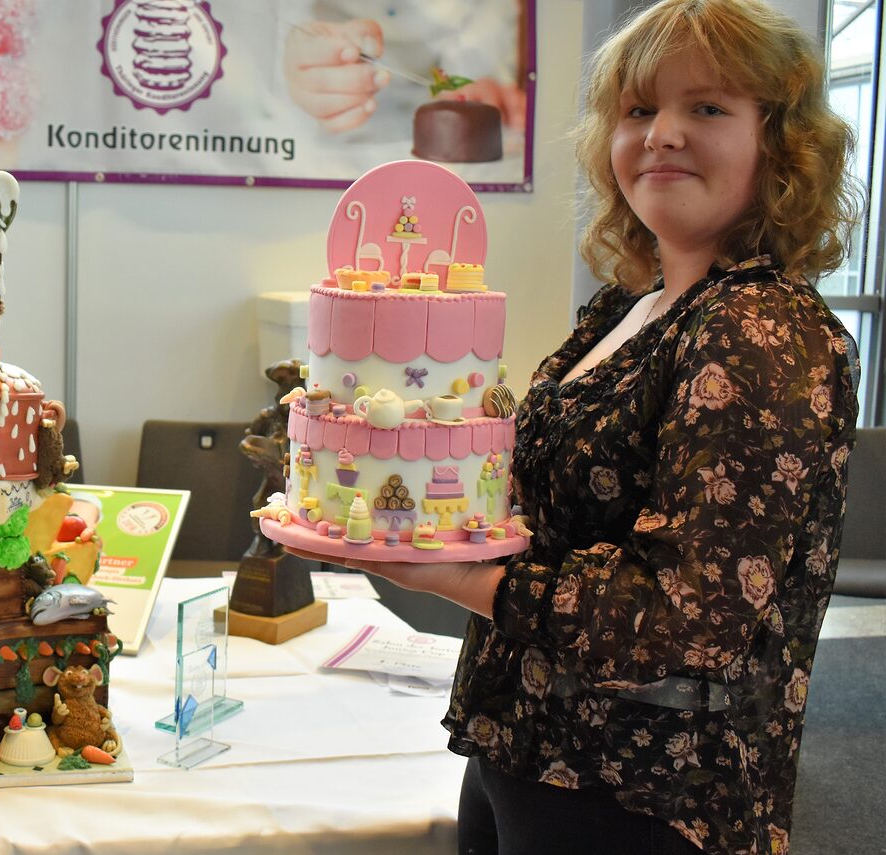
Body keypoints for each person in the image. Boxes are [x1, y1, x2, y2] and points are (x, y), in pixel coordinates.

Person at [296, 1, 860, 852]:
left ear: (780, 143)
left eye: (706, 108)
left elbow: (684, 615)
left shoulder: (759, 332)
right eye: (639, 109)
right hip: (527, 740)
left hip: (641, 788)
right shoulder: (627, 309)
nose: (662, 133)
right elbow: (546, 493)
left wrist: (454, 582)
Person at [279, 0, 528, 137]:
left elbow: (488, 10)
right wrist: (295, 53)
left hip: (450, 116)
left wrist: (476, 72)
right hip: (336, 136)